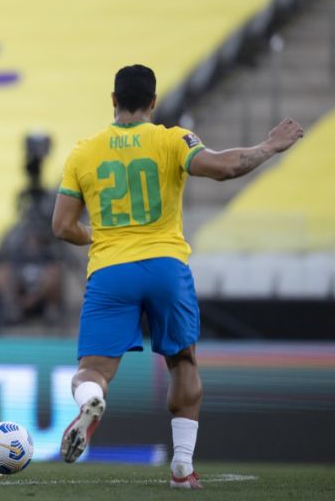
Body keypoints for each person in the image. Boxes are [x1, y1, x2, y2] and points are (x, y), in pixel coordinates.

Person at [52, 64, 304, 489]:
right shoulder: (172, 139)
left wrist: (100, 236)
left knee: (92, 369)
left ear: (113, 100)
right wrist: (269, 146)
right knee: (182, 361)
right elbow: (224, 167)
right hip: (166, 267)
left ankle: (91, 400)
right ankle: (182, 467)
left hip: (111, 269)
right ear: (153, 102)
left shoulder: (84, 151)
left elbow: (61, 226)